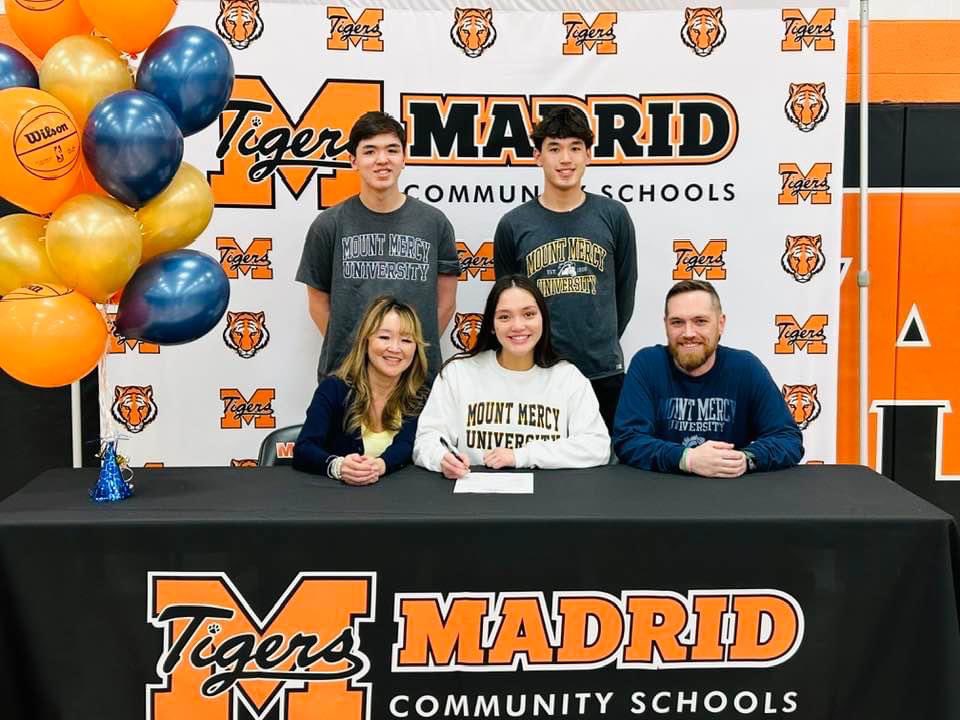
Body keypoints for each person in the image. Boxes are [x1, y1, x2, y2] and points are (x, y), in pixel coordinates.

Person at [493, 106, 637, 432]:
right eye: (554, 149)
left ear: (589, 154)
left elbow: (624, 292)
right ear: (537, 156)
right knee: (537, 462)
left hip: (602, 370)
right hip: (538, 368)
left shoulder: (613, 216)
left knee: (606, 469)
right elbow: (506, 302)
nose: (565, 159)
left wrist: (601, 338)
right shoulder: (513, 225)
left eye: (575, 148)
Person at [296, 110, 460, 381]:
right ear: (353, 160)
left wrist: (406, 353)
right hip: (346, 378)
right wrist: (357, 354)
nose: (382, 160)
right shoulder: (329, 225)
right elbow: (317, 303)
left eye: (392, 150)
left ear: (404, 158)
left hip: (415, 380)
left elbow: (445, 303)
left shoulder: (434, 223)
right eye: (370, 151)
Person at [413, 274, 610, 478]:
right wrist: (441, 458)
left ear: (543, 318)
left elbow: (597, 446)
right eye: (504, 316)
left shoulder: (568, 378)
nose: (518, 326)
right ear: (491, 324)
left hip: (549, 502)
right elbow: (427, 440)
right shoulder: (458, 373)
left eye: (529, 314)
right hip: (473, 503)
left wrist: (522, 456)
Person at [613, 280, 803, 477]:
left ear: (720, 324)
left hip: (731, 493)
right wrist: (687, 459)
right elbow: (628, 439)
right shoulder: (647, 365)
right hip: (662, 494)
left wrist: (745, 459)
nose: (688, 333)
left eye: (700, 321)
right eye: (677, 322)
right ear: (666, 325)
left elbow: (788, 439)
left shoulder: (746, 368)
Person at [292, 296, 428, 484]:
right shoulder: (333, 388)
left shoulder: (420, 396)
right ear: (366, 342)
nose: (395, 348)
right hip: (339, 504)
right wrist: (338, 466)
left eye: (406, 340)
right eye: (384, 337)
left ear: (416, 348)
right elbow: (304, 448)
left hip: (398, 505)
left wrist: (380, 465)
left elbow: (406, 445)